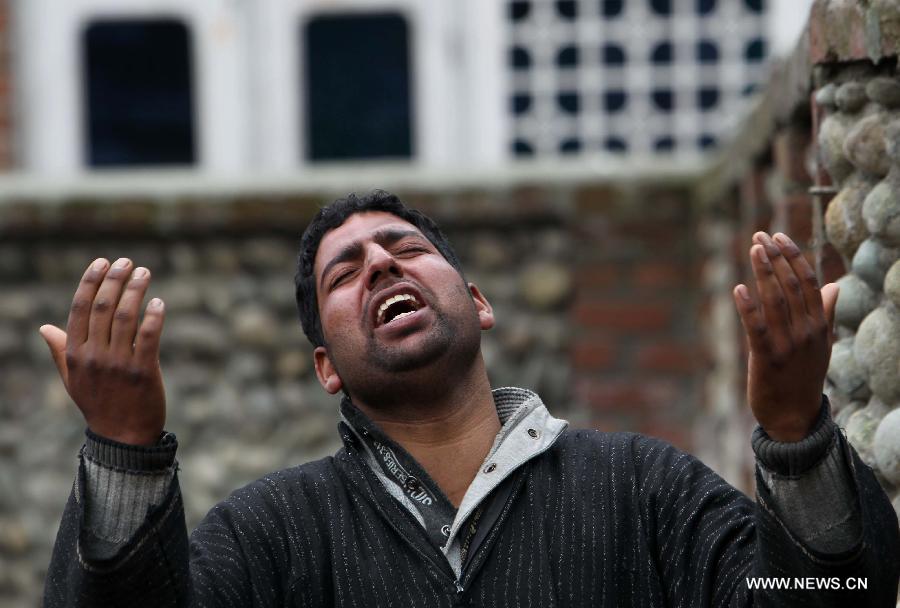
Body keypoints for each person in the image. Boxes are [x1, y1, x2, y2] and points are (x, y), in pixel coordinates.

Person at [40, 191, 898, 607]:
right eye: (346, 272)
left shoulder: (643, 491)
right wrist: (122, 451)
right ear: (324, 367)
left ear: (478, 303)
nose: (379, 265)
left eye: (402, 247)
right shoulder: (272, 535)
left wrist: (795, 435)